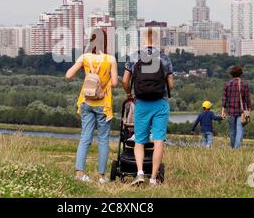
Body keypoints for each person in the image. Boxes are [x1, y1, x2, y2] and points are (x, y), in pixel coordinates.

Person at [122, 28, 174, 186]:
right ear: (156, 42)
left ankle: (139, 173)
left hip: (141, 102)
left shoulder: (134, 57)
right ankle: (153, 178)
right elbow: (170, 83)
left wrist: (129, 94)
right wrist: (166, 91)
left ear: (143, 41)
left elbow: (125, 81)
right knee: (158, 140)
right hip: (160, 102)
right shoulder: (164, 58)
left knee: (140, 139)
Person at [65, 28, 118, 183]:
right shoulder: (110, 59)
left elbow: (68, 75)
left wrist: (88, 77)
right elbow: (115, 83)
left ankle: (80, 173)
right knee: (103, 139)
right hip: (103, 104)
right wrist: (104, 81)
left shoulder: (85, 57)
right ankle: (101, 176)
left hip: (86, 101)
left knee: (85, 137)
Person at [221, 66, 252, 149]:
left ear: (231, 74)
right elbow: (247, 99)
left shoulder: (227, 84)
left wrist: (223, 111)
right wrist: (249, 110)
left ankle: (233, 148)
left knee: (232, 131)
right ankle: (236, 149)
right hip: (241, 112)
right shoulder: (244, 84)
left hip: (230, 111)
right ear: (241, 73)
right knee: (240, 130)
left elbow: (224, 98)